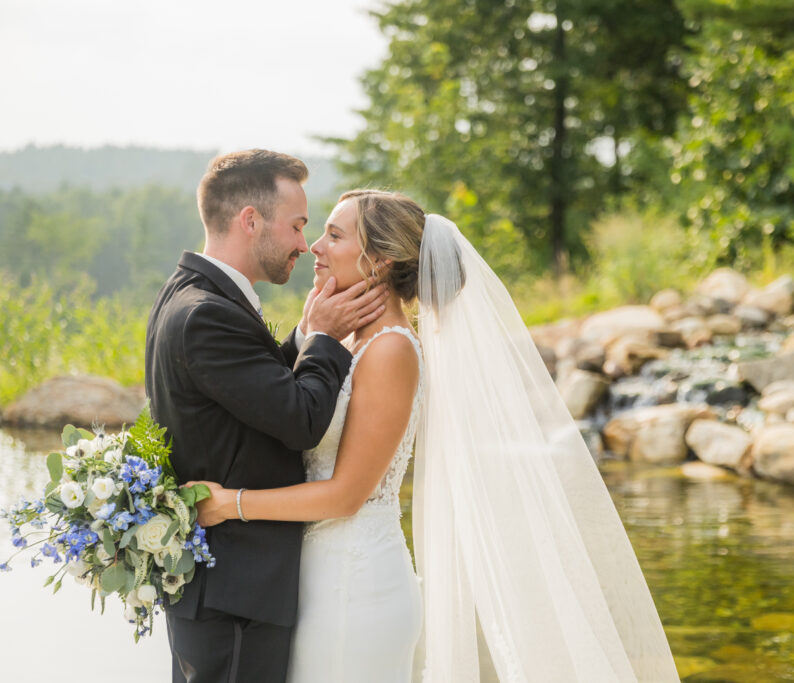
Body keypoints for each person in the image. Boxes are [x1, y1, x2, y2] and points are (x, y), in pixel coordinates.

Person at [191, 190, 681, 682]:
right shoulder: (347, 343)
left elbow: (345, 496)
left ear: (379, 262)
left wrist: (230, 502)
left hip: (355, 588)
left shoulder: (391, 352)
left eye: (334, 235)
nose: (314, 246)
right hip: (321, 579)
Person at [144, 150, 387, 683]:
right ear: (250, 221)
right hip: (236, 595)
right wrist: (324, 338)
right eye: (298, 225)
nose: (306, 244)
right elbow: (301, 419)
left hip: (226, 590)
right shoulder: (209, 314)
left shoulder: (186, 295)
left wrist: (303, 338)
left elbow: (248, 392)